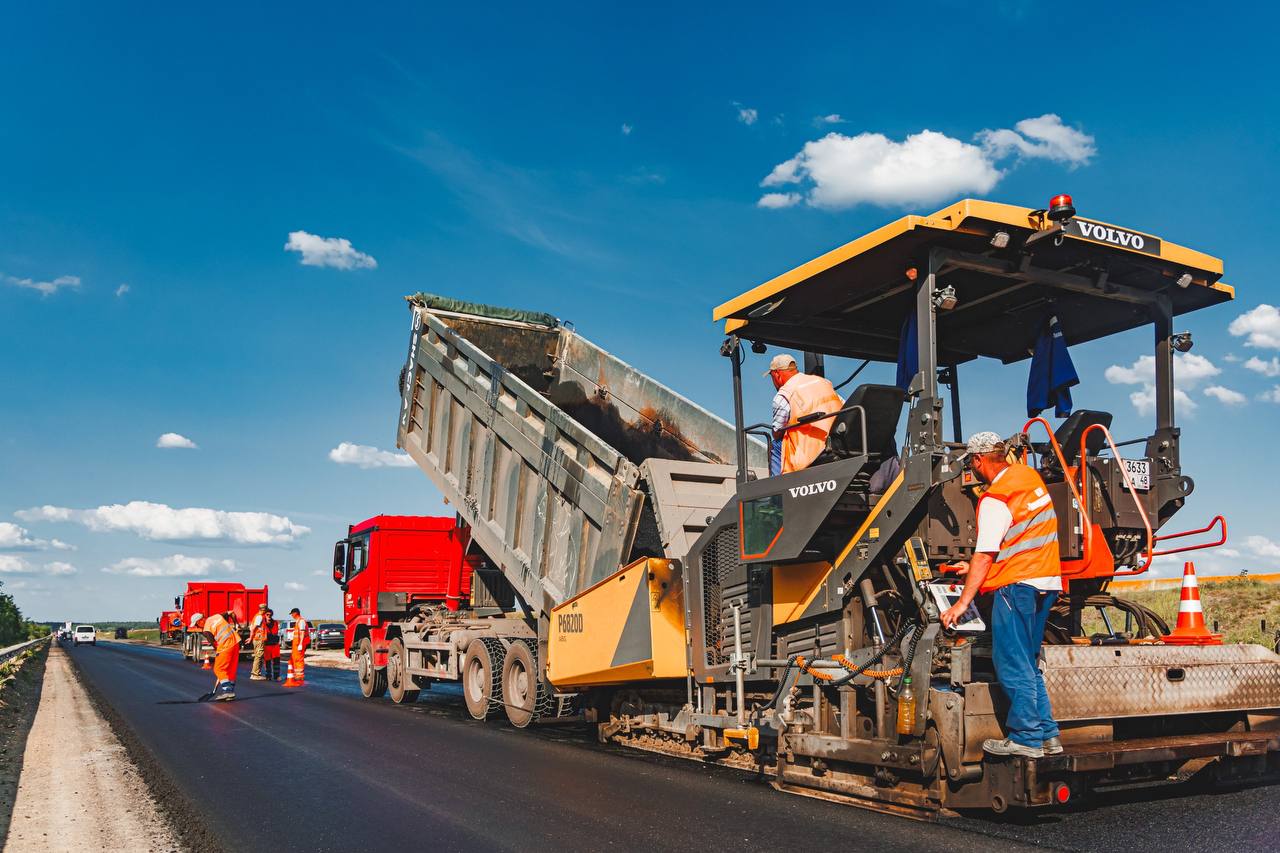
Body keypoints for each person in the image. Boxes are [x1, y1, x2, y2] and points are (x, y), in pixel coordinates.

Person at [940, 432, 1063, 758]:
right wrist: (976, 569)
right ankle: (1048, 734)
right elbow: (1020, 538)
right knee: (1029, 663)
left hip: (1016, 587)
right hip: (1046, 582)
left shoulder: (995, 498)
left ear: (978, 460)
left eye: (971, 463)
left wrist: (962, 604)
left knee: (1011, 663)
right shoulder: (1028, 477)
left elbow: (985, 553)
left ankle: (1025, 737)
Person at [767, 354, 843, 475]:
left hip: (810, 449)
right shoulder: (824, 382)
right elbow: (843, 406)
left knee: (776, 444)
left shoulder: (784, 394)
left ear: (776, 374)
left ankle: (776, 488)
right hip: (838, 440)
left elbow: (777, 433)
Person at [200, 610, 242, 701]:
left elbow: (214, 645)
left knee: (219, 668)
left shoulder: (206, 629)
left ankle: (227, 691)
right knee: (231, 668)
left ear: (200, 621)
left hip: (225, 646)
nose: (197, 626)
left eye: (196, 624)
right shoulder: (216, 616)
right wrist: (236, 624)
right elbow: (232, 612)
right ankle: (230, 691)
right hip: (236, 642)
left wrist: (218, 653)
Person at [283, 607, 309, 687]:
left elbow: (302, 632)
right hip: (296, 645)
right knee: (294, 659)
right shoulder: (298, 621)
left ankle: (299, 677)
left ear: (295, 613)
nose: (291, 615)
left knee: (298, 660)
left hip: (299, 644)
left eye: (292, 614)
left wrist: (301, 644)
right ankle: (296, 676)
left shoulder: (301, 621)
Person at [248, 602, 268, 681]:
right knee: (259, 656)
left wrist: (251, 637)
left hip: (257, 638)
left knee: (258, 656)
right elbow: (253, 628)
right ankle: (255, 674)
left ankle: (256, 673)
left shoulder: (257, 616)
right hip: (259, 639)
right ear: (263, 610)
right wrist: (250, 638)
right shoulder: (259, 617)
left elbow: (251, 627)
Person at [261, 608, 282, 681]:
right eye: (267, 614)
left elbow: (276, 632)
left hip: (275, 644)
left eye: (270, 615)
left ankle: (277, 676)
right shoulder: (262, 623)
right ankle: (268, 675)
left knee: (276, 661)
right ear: (265, 615)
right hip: (267, 644)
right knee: (267, 661)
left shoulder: (275, 622)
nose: (269, 616)